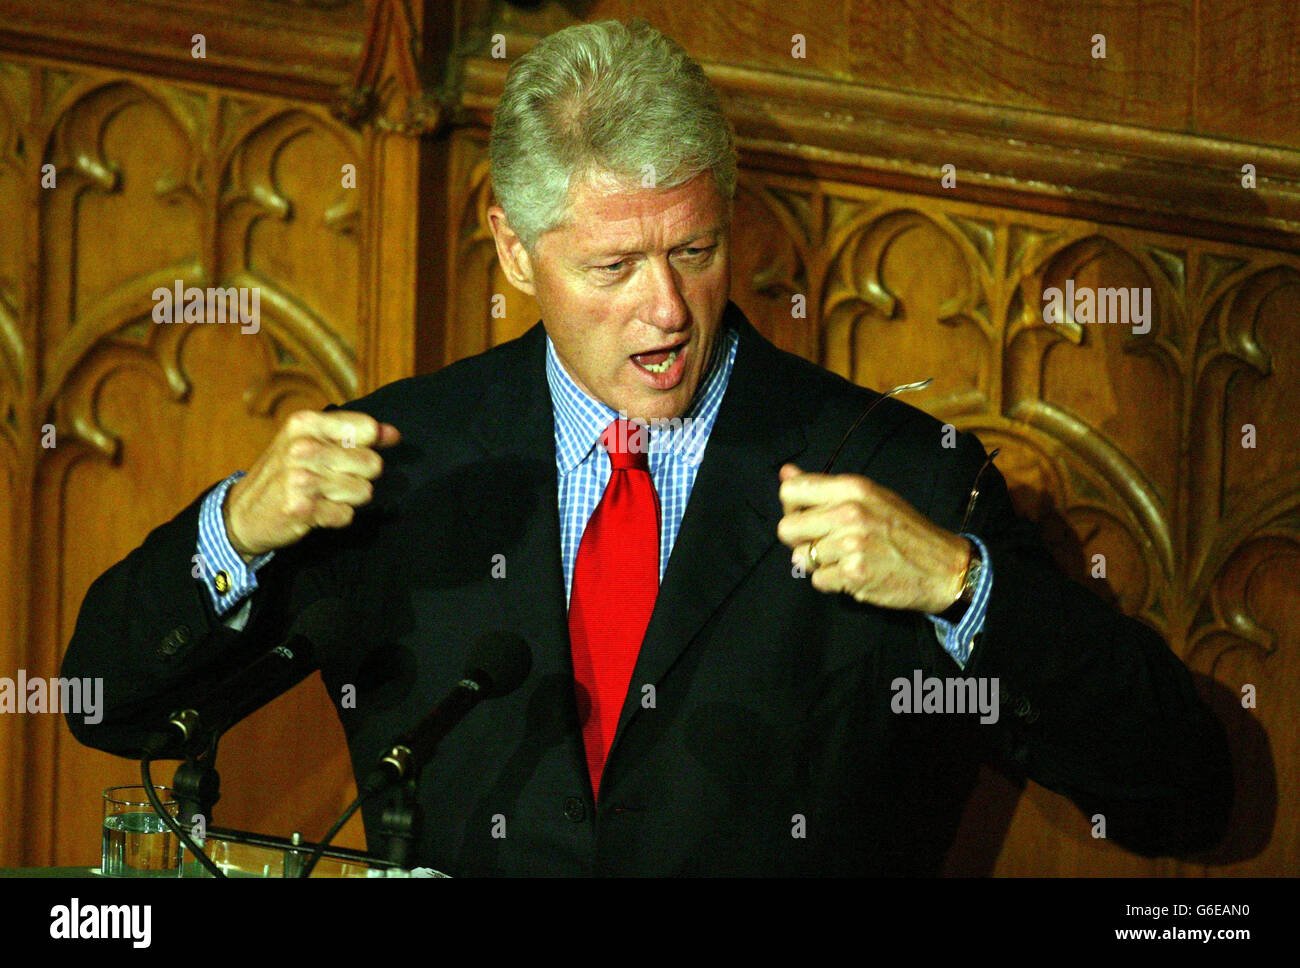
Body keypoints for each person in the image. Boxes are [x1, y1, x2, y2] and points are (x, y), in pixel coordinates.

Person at [63, 19, 1231, 875]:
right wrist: (237, 529)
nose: (666, 311)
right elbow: (102, 700)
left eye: (695, 249)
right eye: (613, 267)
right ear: (513, 248)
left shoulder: (890, 473)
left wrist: (961, 586)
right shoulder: (406, 463)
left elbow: (1184, 792)